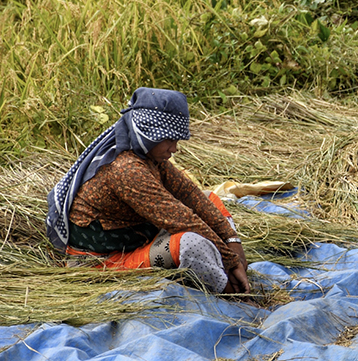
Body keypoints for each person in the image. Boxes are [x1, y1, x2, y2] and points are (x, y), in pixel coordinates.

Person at [46, 88, 249, 294]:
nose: (174, 148)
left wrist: (232, 240)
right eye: (169, 140)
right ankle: (235, 293)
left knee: (209, 199)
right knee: (192, 243)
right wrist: (231, 260)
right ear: (149, 133)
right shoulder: (126, 169)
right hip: (105, 261)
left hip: (138, 235)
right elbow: (182, 219)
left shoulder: (147, 155)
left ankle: (225, 271)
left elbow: (189, 193)